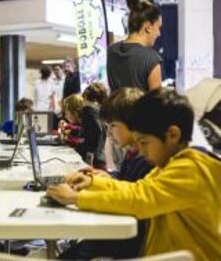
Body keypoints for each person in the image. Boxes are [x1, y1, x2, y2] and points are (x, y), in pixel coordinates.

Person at [47, 89, 221, 260]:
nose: (141, 151)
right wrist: (92, 182)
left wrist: (76, 198)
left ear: (172, 135)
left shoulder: (191, 169)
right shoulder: (169, 165)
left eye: (144, 143)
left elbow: (140, 198)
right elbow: (135, 188)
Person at [59, 87, 154, 260]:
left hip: (125, 241)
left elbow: (131, 197)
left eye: (113, 126)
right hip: (119, 235)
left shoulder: (146, 161)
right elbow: (126, 182)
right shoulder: (132, 155)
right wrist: (106, 177)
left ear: (134, 124)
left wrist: (77, 198)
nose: (109, 133)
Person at [107, 0, 162, 92]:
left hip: (114, 107)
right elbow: (157, 103)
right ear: (148, 27)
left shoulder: (111, 51)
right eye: (158, 27)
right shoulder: (151, 58)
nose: (159, 33)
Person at [62, 87, 107, 168]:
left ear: (74, 112)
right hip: (97, 160)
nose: (65, 116)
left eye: (66, 112)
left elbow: (96, 132)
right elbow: (86, 134)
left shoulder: (87, 113)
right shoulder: (87, 116)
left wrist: (88, 153)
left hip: (94, 163)